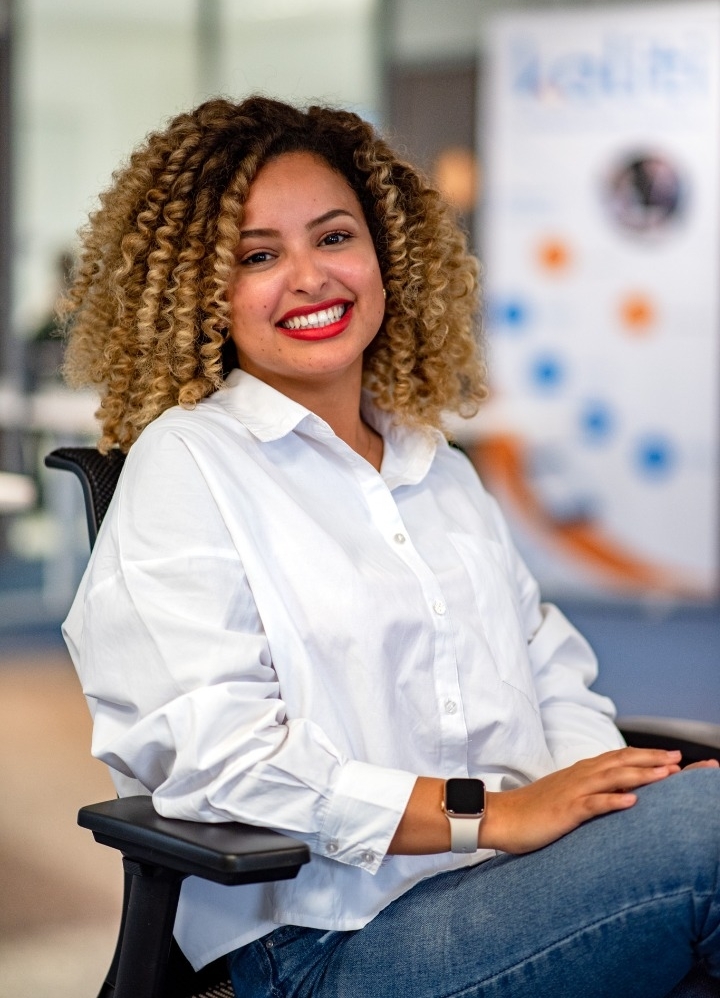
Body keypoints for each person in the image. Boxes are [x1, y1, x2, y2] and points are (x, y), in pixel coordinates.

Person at [60, 96, 720, 998]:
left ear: (385, 257)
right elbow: (217, 759)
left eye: (334, 238)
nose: (309, 278)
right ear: (199, 291)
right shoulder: (189, 463)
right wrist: (489, 815)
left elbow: (549, 671)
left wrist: (609, 800)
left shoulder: (434, 466)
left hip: (520, 891)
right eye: (258, 256)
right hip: (332, 940)